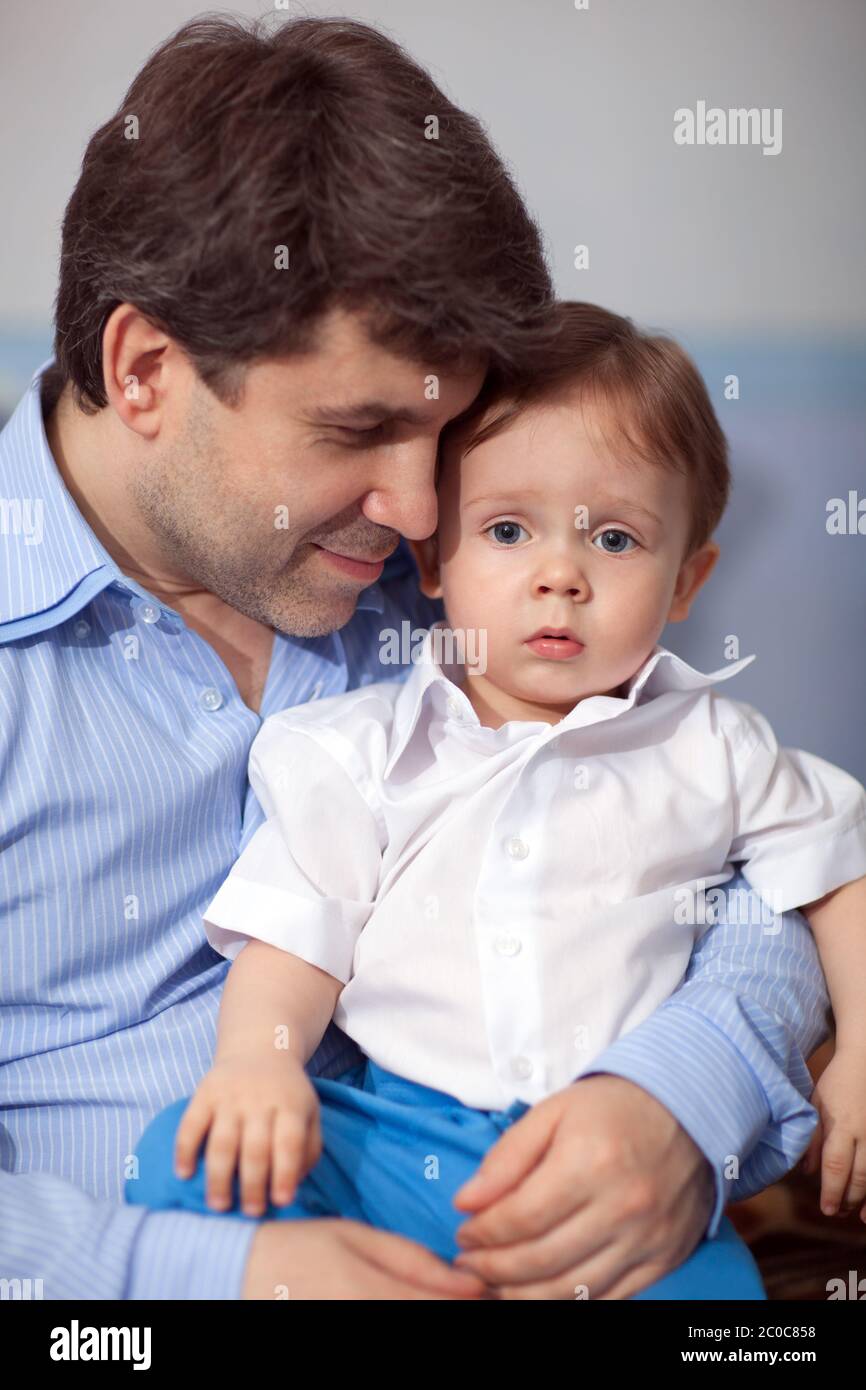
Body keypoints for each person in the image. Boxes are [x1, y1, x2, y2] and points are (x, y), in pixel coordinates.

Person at [0, 18, 827, 1302]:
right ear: (147, 369)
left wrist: (681, 1090)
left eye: (439, 434)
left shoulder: (465, 578)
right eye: (359, 429)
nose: (418, 507)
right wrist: (216, 1274)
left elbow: (728, 855)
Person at [126, 302, 866, 1299]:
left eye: (615, 538)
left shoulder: (713, 745)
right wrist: (257, 1065)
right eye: (508, 529)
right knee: (181, 1153)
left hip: (610, 1161)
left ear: (686, 581)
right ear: (432, 560)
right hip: (395, 1141)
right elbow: (296, 939)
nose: (560, 576)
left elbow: (838, 870)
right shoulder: (360, 750)